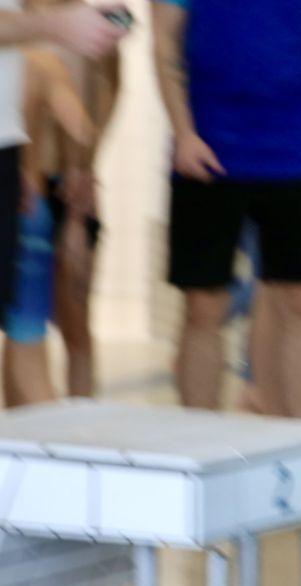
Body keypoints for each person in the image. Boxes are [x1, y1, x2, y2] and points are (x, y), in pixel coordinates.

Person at [155, 0, 301, 419]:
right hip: (209, 141)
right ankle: (197, 438)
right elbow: (164, 38)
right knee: (203, 303)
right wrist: (183, 131)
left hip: (296, 143)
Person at [0, 1, 126, 351]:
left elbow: (96, 112)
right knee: (31, 338)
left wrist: (83, 175)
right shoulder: (35, 38)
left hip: (49, 189)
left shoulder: (71, 34)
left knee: (58, 330)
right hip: (32, 188)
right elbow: (81, 127)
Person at [26, 0, 119, 400]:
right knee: (25, 330)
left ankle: (81, 418)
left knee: (75, 322)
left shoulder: (92, 23)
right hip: (26, 183)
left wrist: (85, 169)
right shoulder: (21, 20)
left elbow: (105, 98)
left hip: (70, 187)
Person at [3, 48, 91, 407]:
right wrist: (76, 169)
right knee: (30, 354)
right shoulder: (42, 64)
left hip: (15, 201)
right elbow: (81, 128)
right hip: (31, 211)